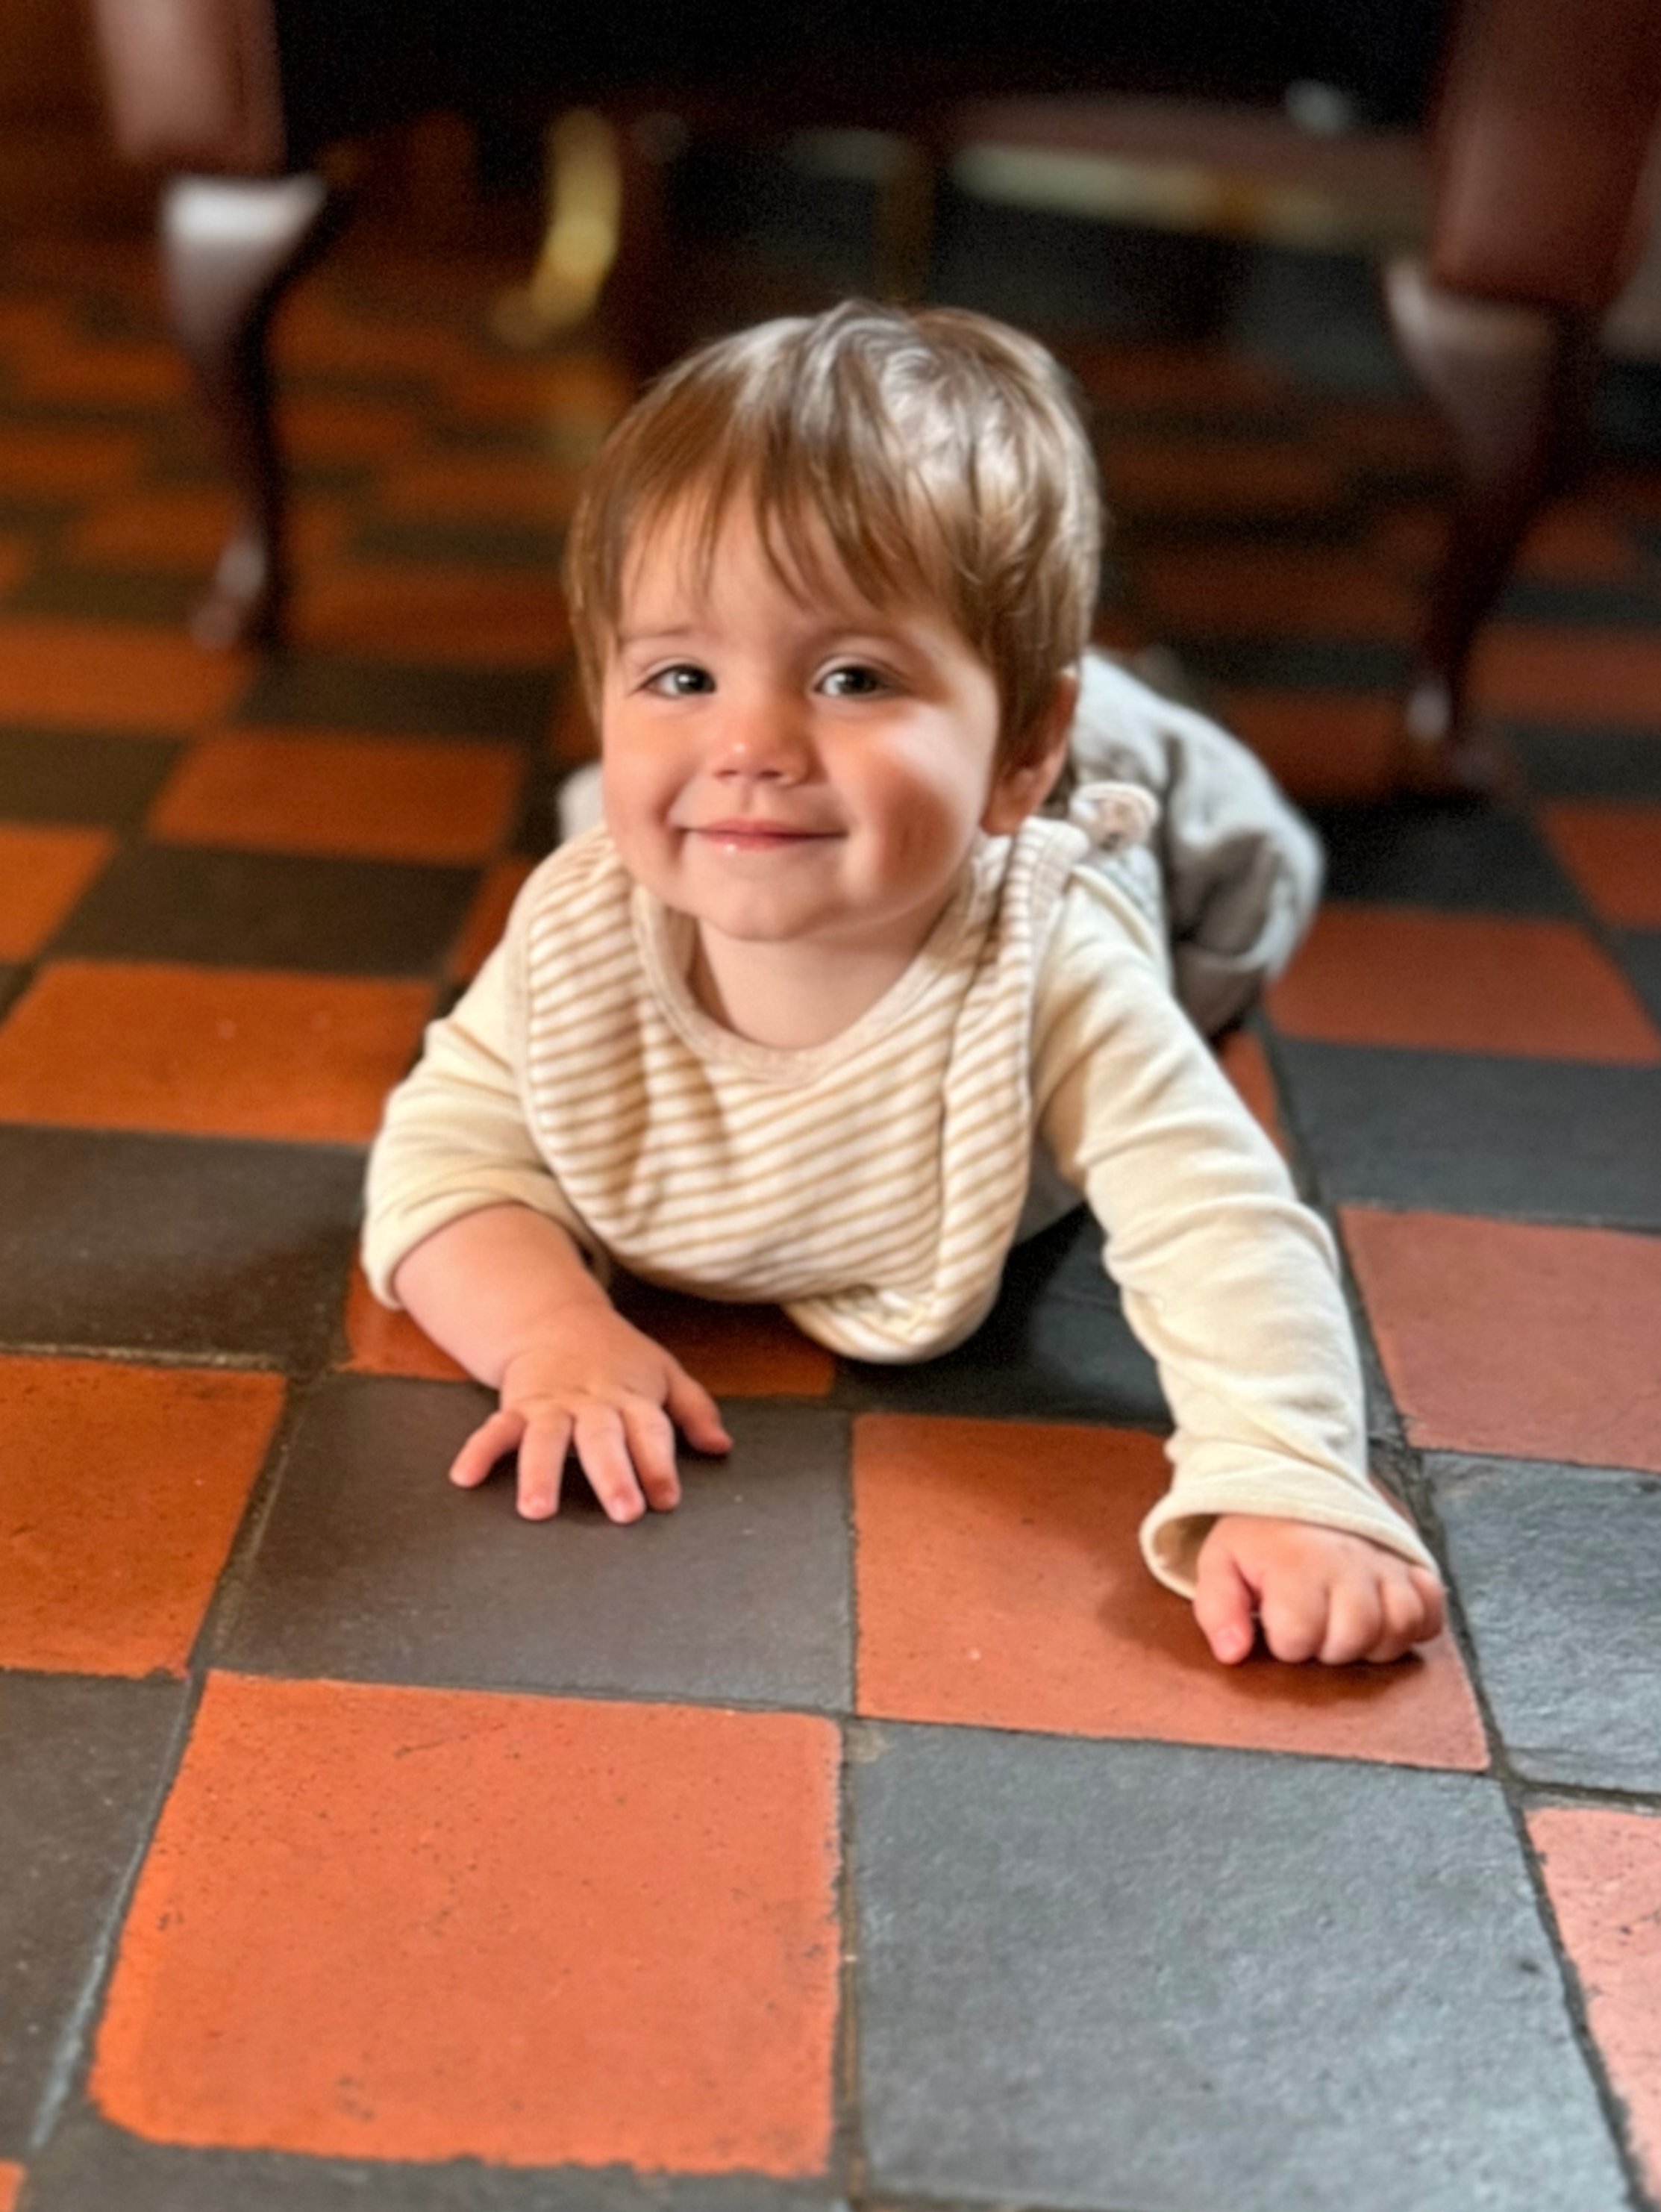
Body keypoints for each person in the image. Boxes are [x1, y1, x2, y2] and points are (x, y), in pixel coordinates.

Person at [363, 301, 1445, 1669]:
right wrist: (549, 1333)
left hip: (1135, 830)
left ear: (1015, 751)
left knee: (1230, 866)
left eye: (852, 674)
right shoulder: (583, 927)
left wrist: (1282, 1480)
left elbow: (1217, 1223)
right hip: (950, 776)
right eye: (681, 674)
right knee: (622, 818)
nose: (750, 740)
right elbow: (441, 1161)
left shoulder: (1050, 970)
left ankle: (1107, 715)